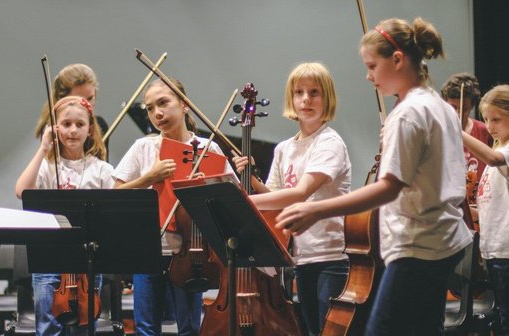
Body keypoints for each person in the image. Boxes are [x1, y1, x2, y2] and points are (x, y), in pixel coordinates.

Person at [276, 17, 473, 335]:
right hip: (446, 240)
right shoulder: (438, 106)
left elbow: (389, 188)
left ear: (397, 60)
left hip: (417, 245)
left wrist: (315, 208)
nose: (369, 77)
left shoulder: (407, 113)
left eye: (371, 66)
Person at [232, 62, 350, 335]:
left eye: (314, 92)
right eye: (299, 93)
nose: (306, 99)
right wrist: (253, 183)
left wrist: (242, 202)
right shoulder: (285, 148)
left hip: (330, 256)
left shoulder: (329, 142)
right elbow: (276, 196)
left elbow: (299, 194)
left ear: (327, 98)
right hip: (300, 257)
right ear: (291, 99)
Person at [113, 78, 234, 336]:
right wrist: (148, 178)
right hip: (148, 251)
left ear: (184, 105)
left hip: (192, 254)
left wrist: (205, 186)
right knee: (146, 329)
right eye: (150, 108)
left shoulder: (207, 148)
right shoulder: (143, 147)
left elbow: (231, 198)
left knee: (190, 328)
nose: (157, 113)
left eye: (164, 103)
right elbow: (115, 194)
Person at [16, 95, 113, 336]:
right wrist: (43, 148)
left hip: (87, 264)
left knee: (84, 326)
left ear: (90, 129)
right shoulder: (48, 167)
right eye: (66, 124)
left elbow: (112, 209)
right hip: (50, 261)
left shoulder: (101, 169)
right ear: (55, 128)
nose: (72, 130)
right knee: (48, 328)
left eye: (79, 125)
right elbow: (21, 190)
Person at [461, 84, 509, 334]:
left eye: (497, 119)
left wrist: (457, 132)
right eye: (487, 119)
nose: (489, 126)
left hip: (507, 250)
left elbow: (493, 159)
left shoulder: (502, 153)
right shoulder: (499, 147)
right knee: (501, 314)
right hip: (494, 249)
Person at [441, 73, 493, 203]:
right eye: (453, 107)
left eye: (464, 108)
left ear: (472, 107)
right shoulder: (436, 133)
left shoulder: (485, 131)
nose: (458, 113)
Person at [35, 63, 110, 153]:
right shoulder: (52, 131)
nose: (87, 105)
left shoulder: (99, 126)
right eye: (79, 100)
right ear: (62, 100)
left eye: (90, 99)